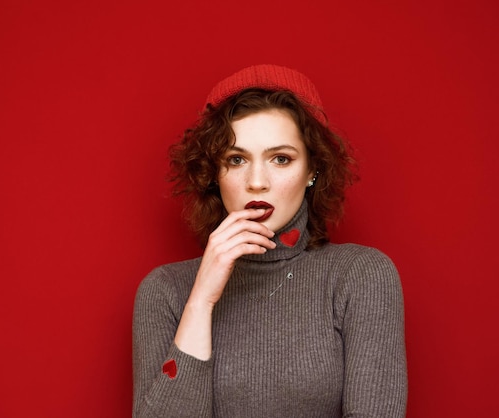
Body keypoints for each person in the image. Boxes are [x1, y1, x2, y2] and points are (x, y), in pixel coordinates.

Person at [132, 64, 407, 417]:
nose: (257, 181)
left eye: (280, 159)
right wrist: (200, 301)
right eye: (236, 159)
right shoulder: (166, 290)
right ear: (214, 173)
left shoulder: (360, 276)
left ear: (312, 169)